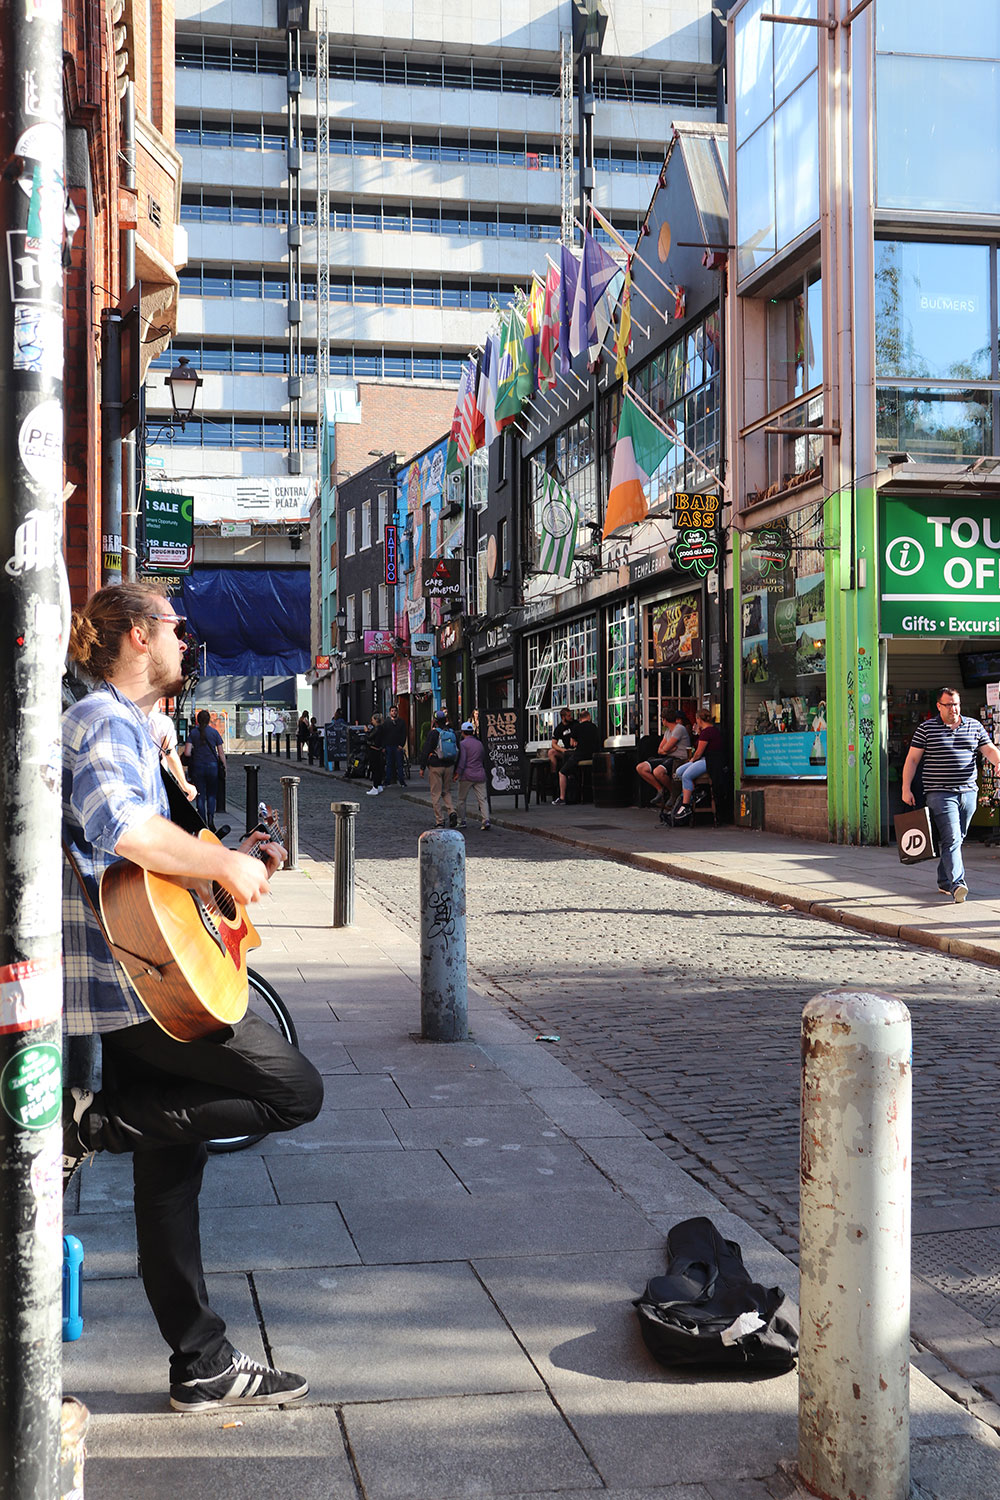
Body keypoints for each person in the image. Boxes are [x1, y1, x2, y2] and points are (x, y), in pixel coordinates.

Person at [62, 582, 323, 1411]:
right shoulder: (102, 719)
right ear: (140, 637)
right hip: (136, 984)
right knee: (293, 1091)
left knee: (169, 1174)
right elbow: (118, 830)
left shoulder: (140, 728)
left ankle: (200, 1363)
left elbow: (158, 859)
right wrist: (220, 866)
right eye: (176, 628)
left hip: (148, 971)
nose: (187, 641)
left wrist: (235, 854)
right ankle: (91, 1123)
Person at [901, 686, 1000, 902]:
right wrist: (905, 788)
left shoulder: (973, 726)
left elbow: (989, 749)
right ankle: (958, 884)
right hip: (939, 793)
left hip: (968, 793)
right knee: (953, 837)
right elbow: (912, 760)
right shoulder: (926, 729)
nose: (954, 709)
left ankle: (944, 880)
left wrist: (999, 761)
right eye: (948, 705)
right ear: (939, 706)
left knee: (955, 839)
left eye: (956, 704)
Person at [672, 708, 724, 824]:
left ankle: (685, 806)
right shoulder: (709, 731)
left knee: (686, 775)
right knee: (679, 771)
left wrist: (691, 761)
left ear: (699, 719)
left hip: (709, 761)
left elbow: (699, 752)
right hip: (707, 760)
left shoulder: (707, 732)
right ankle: (695, 793)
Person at [636, 711, 691, 808]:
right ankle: (660, 790)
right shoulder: (667, 731)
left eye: (662, 719)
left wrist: (666, 750)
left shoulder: (679, 729)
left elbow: (665, 748)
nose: (662, 722)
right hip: (669, 757)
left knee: (658, 772)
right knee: (641, 767)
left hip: (678, 759)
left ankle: (672, 793)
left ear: (665, 720)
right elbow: (660, 750)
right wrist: (668, 750)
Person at [182, 708, 225, 831]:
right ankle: (211, 818)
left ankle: (202, 821)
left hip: (198, 766)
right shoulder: (214, 733)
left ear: (197, 720)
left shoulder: (193, 734)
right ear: (209, 720)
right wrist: (224, 766)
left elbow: (187, 752)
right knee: (212, 794)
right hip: (212, 766)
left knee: (200, 795)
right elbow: (221, 753)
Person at [418, 708, 458, 827]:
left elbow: (426, 750)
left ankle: (440, 820)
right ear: (445, 720)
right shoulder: (452, 732)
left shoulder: (434, 733)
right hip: (449, 766)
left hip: (436, 766)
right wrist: (456, 769)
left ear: (435, 721)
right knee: (447, 792)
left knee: (436, 794)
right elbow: (457, 750)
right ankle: (452, 811)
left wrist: (422, 767)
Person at [147, 706, 197, 802]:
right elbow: (169, 753)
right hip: (154, 782)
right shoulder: (161, 721)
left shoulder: (123, 716)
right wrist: (184, 784)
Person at [554, 709, 601, 805]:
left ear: (580, 718)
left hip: (580, 755)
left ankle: (562, 797)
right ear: (589, 717)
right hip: (594, 756)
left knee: (562, 773)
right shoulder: (595, 727)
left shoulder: (577, 727)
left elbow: (572, 743)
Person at [455, 720, 490, 830]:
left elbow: (462, 761)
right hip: (480, 774)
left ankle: (461, 821)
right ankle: (486, 820)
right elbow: (482, 757)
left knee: (461, 799)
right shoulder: (479, 744)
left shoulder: (463, 744)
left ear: (463, 732)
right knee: (482, 799)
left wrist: (457, 773)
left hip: (467, 775)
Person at [380, 704, 408, 789]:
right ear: (390, 712)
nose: (394, 712)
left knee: (400, 764)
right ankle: (387, 781)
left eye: (395, 711)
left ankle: (402, 781)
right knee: (389, 764)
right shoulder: (386, 723)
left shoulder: (401, 722)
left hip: (397, 746)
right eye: (392, 711)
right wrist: (383, 747)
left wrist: (401, 745)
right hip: (388, 746)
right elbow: (383, 735)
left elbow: (404, 734)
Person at [547, 708, 577, 784]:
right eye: (568, 716)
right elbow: (553, 744)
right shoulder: (559, 728)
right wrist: (562, 750)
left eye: (571, 715)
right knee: (551, 752)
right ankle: (554, 777)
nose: (571, 717)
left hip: (576, 750)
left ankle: (570, 776)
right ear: (563, 717)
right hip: (566, 751)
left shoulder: (575, 724)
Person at [365, 713, 387, 796]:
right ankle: (379, 785)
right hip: (379, 750)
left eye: (373, 719)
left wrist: (366, 731)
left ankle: (375, 787)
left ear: (376, 720)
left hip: (374, 750)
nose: (372, 721)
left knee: (375, 769)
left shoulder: (377, 728)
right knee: (379, 769)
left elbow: (369, 737)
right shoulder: (381, 728)